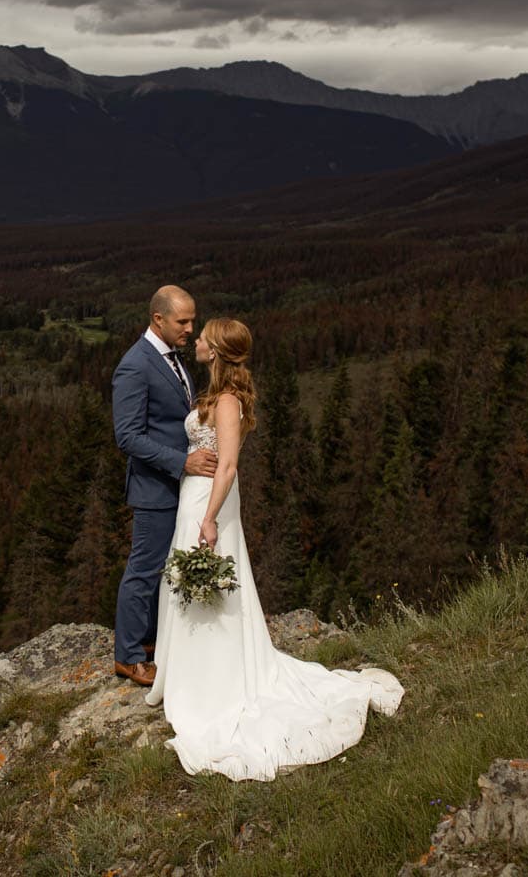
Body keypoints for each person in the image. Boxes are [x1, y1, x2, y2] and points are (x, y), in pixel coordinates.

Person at [145, 317, 404, 781]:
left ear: (218, 352)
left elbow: (227, 466)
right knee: (188, 583)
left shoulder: (226, 401)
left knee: (207, 584)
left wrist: (208, 520)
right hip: (195, 498)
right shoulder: (215, 395)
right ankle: (186, 672)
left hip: (209, 502)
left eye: (203, 337)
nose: (197, 341)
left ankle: (210, 682)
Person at [110, 285, 219, 686]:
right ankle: (129, 656)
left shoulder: (172, 359)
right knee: (145, 569)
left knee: (164, 568)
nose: (191, 328)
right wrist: (183, 461)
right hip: (155, 487)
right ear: (158, 319)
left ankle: (153, 642)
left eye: (193, 320)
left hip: (179, 486)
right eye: (183, 321)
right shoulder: (135, 366)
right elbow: (128, 436)